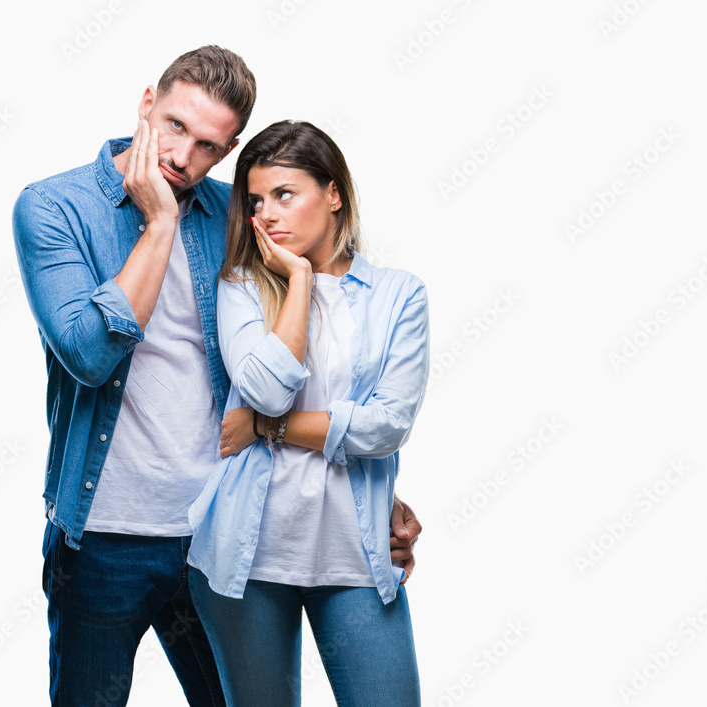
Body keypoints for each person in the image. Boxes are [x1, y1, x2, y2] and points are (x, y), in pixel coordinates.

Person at [12, 46, 423, 706]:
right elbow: (88, 356)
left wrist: (371, 495)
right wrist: (161, 222)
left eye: (207, 146)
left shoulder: (241, 213)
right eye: (174, 126)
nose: (181, 157)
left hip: (224, 531)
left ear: (228, 150)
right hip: (104, 537)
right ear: (148, 102)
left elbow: (320, 357)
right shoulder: (53, 208)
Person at [187, 120, 430, 707]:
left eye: (285, 194)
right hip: (246, 557)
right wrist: (298, 280)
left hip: (356, 554)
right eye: (256, 201)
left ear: (334, 194)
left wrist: (267, 430)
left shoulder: (399, 294)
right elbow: (267, 389)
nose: (267, 214)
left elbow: (386, 425)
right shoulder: (242, 286)